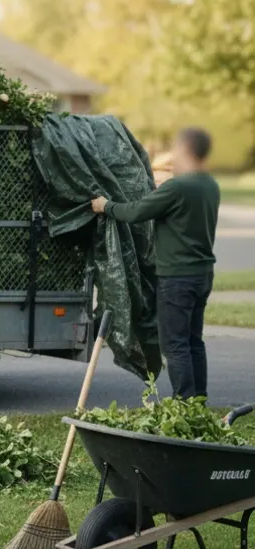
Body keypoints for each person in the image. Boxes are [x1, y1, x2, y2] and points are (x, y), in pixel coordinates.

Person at [91, 127, 221, 400]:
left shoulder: (177, 187)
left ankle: (184, 402)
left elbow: (137, 212)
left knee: (174, 345)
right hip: (202, 274)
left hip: (177, 278)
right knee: (193, 341)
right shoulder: (210, 185)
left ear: (186, 150)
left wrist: (106, 205)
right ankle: (199, 398)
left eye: (176, 147)